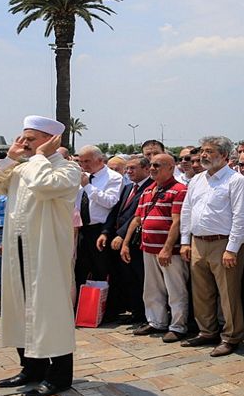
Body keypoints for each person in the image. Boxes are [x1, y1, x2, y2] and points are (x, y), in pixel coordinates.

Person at [0, 115, 81, 396]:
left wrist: (39, 156)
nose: (24, 143)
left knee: (50, 312)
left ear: (52, 140)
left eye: (31, 139)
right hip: (18, 250)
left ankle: (60, 376)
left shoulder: (66, 169)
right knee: (21, 308)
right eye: (23, 138)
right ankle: (31, 368)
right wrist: (10, 158)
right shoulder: (21, 168)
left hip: (46, 253)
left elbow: (44, 185)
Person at [180, 136, 244, 357]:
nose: (203, 155)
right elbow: (186, 211)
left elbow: (242, 218)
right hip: (198, 242)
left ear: (223, 155)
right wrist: (185, 241)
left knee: (228, 294)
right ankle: (206, 332)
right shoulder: (197, 180)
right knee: (201, 292)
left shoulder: (236, 181)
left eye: (209, 151)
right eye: (202, 150)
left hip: (224, 243)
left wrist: (232, 248)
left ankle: (231, 337)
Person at [122, 154, 190, 344]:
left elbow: (177, 221)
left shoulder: (179, 190)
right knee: (151, 289)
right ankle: (156, 321)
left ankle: (178, 326)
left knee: (176, 289)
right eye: (151, 165)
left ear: (170, 167)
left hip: (169, 251)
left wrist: (167, 248)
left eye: (157, 165)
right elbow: (137, 219)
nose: (152, 168)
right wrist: (126, 243)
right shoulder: (148, 191)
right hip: (148, 248)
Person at [97, 156, 152, 323]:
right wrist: (106, 232)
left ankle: (142, 314)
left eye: (133, 168)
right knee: (125, 278)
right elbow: (115, 212)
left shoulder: (150, 188)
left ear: (146, 169)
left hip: (135, 242)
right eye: (128, 169)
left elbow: (137, 216)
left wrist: (121, 235)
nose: (129, 172)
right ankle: (133, 311)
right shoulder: (128, 188)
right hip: (119, 240)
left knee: (139, 279)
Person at [74, 145, 123, 289]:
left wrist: (88, 187)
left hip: (101, 230)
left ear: (100, 160)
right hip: (82, 228)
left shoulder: (113, 177)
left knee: (102, 269)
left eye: (87, 161)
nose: (84, 165)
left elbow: (110, 202)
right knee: (81, 268)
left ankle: (106, 307)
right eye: (81, 162)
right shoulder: (84, 177)